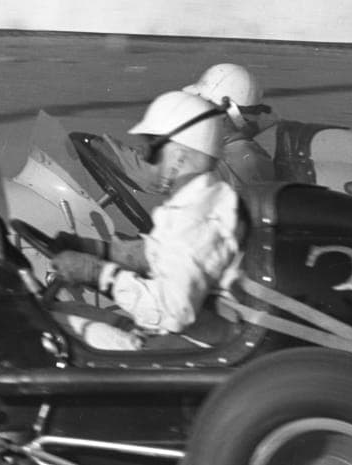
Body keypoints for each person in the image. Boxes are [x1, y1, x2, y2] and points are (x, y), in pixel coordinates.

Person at [49, 90, 244, 351]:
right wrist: (96, 249)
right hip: (195, 334)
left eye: (152, 149)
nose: (144, 156)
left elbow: (173, 313)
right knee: (65, 310)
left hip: (191, 346)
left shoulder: (195, 216)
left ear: (179, 156)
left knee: (50, 329)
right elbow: (161, 253)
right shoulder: (202, 200)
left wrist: (98, 273)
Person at [102, 62, 276, 193]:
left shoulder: (231, 160)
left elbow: (151, 175)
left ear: (223, 114)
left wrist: (100, 147)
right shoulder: (242, 151)